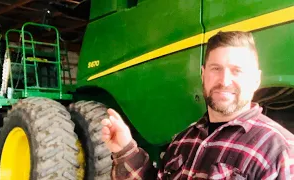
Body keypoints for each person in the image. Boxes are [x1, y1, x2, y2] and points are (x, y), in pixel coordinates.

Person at [101, 31, 294, 179]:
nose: (224, 81)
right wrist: (125, 149)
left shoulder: (281, 150)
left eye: (237, 71)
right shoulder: (182, 141)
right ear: (203, 75)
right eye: (216, 69)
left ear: (255, 79)